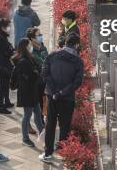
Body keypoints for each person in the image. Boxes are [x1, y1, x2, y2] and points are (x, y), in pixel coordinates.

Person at [39, 33, 84, 163]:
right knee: (65, 126)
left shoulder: (52, 55)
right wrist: (62, 92)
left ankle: (48, 154)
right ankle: (64, 155)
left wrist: (54, 92)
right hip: (67, 98)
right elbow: (77, 82)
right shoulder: (77, 61)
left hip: (51, 96)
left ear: (65, 43)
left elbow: (45, 74)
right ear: (76, 44)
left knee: (50, 124)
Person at [10, 38, 45, 147]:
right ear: (25, 47)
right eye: (29, 45)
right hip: (27, 93)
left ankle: (43, 136)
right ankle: (25, 138)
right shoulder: (23, 61)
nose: (31, 47)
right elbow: (28, 77)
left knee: (38, 115)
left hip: (32, 92)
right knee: (27, 115)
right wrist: (36, 74)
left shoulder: (28, 58)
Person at [0, 18, 14, 113]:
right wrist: (10, 51)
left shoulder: (2, 36)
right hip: (2, 64)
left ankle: (7, 100)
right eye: (7, 26)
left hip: (5, 63)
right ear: (2, 27)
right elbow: (2, 50)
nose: (9, 28)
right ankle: (0, 105)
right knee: (3, 85)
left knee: (6, 83)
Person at [26, 27, 48, 117]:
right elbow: (41, 63)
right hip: (35, 82)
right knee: (36, 104)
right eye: (39, 35)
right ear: (32, 39)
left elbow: (47, 59)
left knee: (43, 102)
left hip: (44, 80)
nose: (41, 36)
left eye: (41, 34)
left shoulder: (42, 47)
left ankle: (42, 121)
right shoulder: (30, 51)